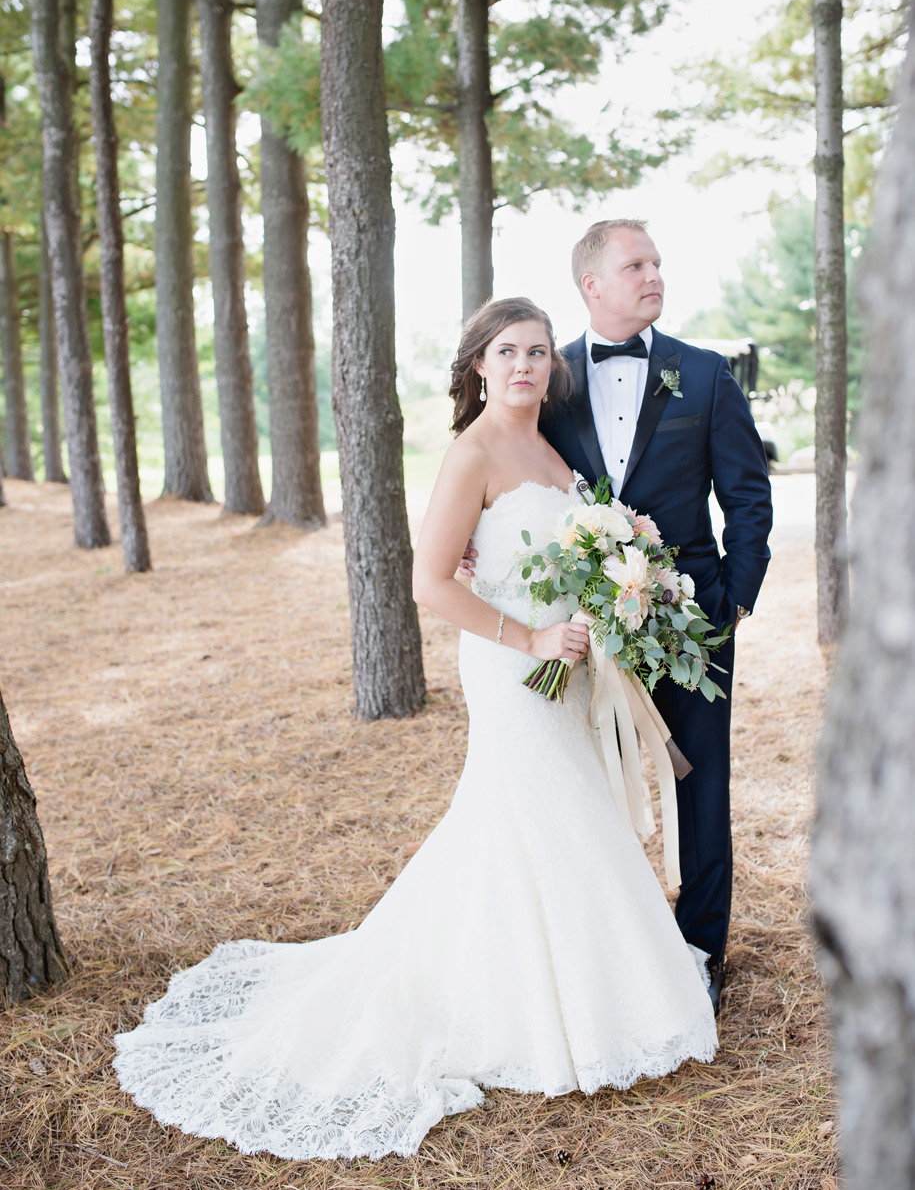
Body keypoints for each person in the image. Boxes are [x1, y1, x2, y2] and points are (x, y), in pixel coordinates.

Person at [113, 296, 717, 1163]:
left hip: (569, 661)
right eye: (507, 352)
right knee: (536, 815)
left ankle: (577, 990)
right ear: (476, 364)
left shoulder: (551, 447)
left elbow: (558, 552)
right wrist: (532, 636)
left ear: (554, 366)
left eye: (539, 353)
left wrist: (610, 606)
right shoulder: (471, 453)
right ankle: (534, 1014)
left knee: (546, 820)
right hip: (515, 666)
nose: (524, 366)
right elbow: (430, 583)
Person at [540, 219, 773, 1013]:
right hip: (586, 627)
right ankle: (608, 950)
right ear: (591, 284)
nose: (653, 275)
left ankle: (700, 949)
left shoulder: (703, 375)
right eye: (633, 264)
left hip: (694, 619)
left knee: (701, 788)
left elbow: (746, 496)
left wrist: (732, 598)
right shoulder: (550, 380)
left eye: (657, 263)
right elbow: (511, 478)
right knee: (587, 785)